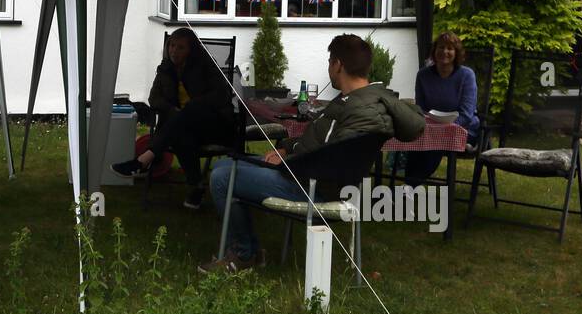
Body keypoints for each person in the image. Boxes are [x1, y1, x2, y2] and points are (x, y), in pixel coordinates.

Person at [202, 33, 425, 273]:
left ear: (338, 64)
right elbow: (323, 142)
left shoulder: (363, 110)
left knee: (222, 177)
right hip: (306, 176)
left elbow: (334, 162)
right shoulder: (355, 101)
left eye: (330, 61)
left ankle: (245, 254)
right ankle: (249, 251)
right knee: (225, 166)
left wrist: (288, 165)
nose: (329, 67)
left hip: (314, 188)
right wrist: (286, 148)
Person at [110, 28, 235, 210]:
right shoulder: (165, 69)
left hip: (214, 126)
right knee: (180, 132)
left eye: (181, 47)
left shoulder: (206, 66)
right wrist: (173, 110)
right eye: (172, 45)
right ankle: (196, 187)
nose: (174, 51)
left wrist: (192, 108)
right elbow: (154, 98)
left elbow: (222, 95)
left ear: (191, 50)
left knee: (189, 110)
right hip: (182, 127)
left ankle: (143, 160)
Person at [404, 31, 480, 184]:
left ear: (456, 53)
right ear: (434, 51)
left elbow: (466, 113)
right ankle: (408, 187)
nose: (444, 52)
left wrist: (443, 128)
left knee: (435, 141)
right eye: (441, 47)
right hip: (431, 127)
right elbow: (421, 109)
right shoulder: (423, 75)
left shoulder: (467, 75)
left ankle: (408, 186)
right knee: (415, 139)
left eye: (450, 48)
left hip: (463, 128)